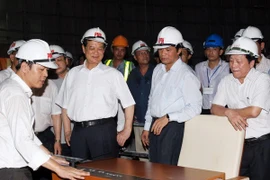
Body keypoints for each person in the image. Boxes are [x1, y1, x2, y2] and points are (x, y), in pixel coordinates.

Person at [0, 39, 89, 180]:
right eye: (41, 69)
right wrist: (59, 169)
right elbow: (23, 141)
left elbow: (28, 135)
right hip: (11, 170)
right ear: (24, 67)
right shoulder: (15, 94)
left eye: (47, 70)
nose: (46, 75)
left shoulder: (15, 89)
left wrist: (50, 157)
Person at [56, 27, 135, 160]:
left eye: (100, 48)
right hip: (79, 132)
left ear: (104, 51)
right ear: (83, 48)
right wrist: (68, 130)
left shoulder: (113, 74)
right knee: (80, 172)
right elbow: (65, 105)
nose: (96, 52)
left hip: (104, 131)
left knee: (105, 173)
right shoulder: (73, 74)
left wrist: (127, 130)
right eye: (92, 47)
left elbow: (129, 103)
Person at [141, 26, 202, 165]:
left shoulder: (187, 75)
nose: (163, 54)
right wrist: (146, 127)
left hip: (172, 127)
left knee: (168, 171)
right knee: (154, 169)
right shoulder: (158, 70)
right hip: (155, 125)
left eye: (168, 50)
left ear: (179, 50)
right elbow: (152, 100)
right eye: (160, 50)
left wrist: (169, 117)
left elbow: (195, 107)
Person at [211, 37, 270, 180]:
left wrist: (230, 112)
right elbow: (214, 108)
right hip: (236, 142)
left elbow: (254, 111)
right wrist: (228, 112)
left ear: (251, 62)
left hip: (261, 144)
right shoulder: (226, 81)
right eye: (231, 61)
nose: (233, 65)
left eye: (238, 61)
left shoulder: (262, 80)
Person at [127, 40, 155, 158]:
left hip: (155, 122)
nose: (145, 55)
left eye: (146, 52)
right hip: (138, 122)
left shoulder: (157, 71)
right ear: (135, 57)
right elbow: (128, 97)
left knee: (155, 155)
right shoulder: (132, 75)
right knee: (141, 154)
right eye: (141, 53)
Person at [195, 34, 230, 114]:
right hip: (203, 108)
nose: (210, 52)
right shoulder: (199, 67)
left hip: (222, 108)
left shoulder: (227, 67)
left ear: (221, 51)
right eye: (208, 49)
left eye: (214, 49)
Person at [50, 44, 73, 156]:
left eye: (59, 60)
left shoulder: (77, 78)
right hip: (54, 138)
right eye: (53, 61)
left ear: (66, 61)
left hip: (76, 135)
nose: (56, 63)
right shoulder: (45, 82)